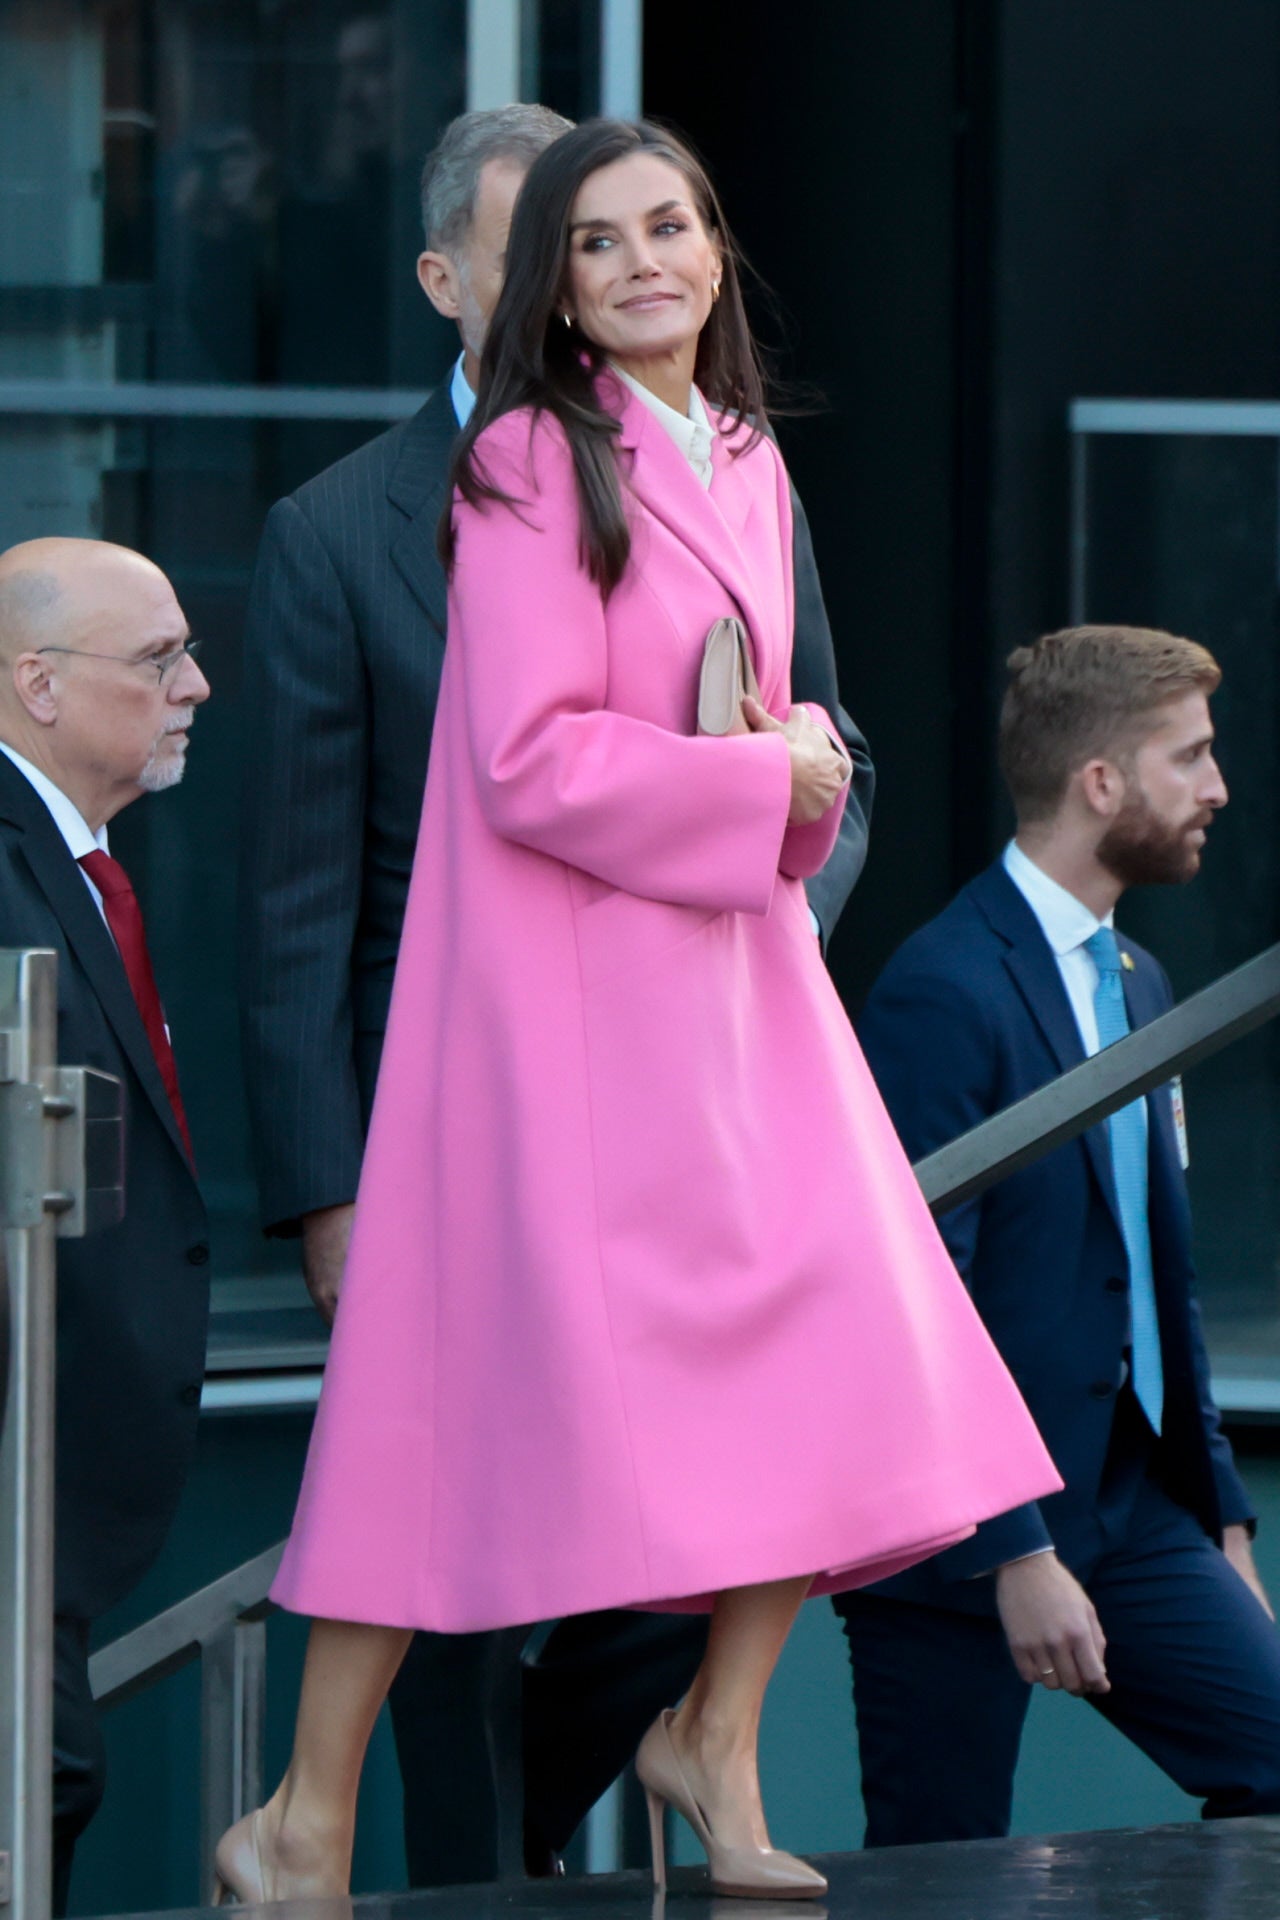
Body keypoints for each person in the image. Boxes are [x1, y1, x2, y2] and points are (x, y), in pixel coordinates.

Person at [216, 117, 1057, 1906]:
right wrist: (765, 779)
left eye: (669, 226)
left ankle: (717, 1737)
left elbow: (804, 731)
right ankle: (302, 1812)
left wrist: (800, 777)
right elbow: (526, 762)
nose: (645, 262)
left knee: (847, 1332)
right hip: (558, 1003)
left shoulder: (747, 455)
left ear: (715, 247)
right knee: (436, 1405)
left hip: (735, 987)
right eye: (599, 244)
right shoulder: (525, 458)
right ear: (557, 291)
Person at [836, 624, 1280, 1847]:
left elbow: (1157, 1276)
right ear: (1099, 783)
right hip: (958, 1537)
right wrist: (1010, 1550)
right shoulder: (941, 987)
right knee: (938, 1871)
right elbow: (915, 1294)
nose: (1215, 788)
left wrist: (1222, 1524)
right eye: (1187, 756)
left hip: (1129, 1505)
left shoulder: (1136, 979)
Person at [0, 537, 211, 1915]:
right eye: (157, 661)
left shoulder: (77, 867)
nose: (196, 685)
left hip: (62, 1478)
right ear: (37, 685)